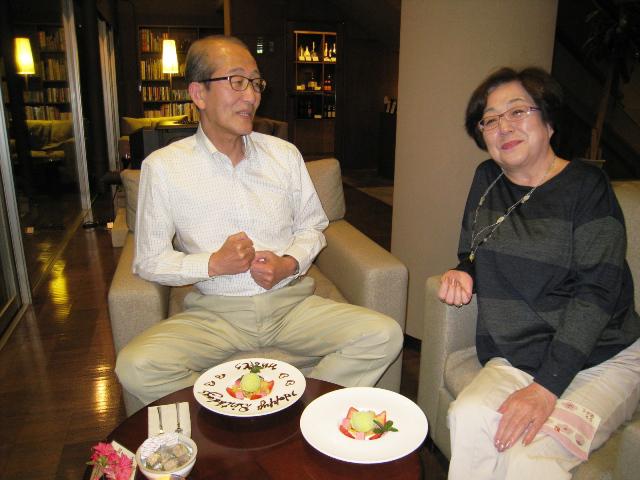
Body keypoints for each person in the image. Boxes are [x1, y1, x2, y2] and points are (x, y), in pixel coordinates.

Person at [115, 35, 403, 406]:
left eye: (255, 83)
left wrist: (289, 263)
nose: (251, 96)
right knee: (135, 365)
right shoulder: (164, 168)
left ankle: (296, 413)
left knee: (384, 334)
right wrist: (212, 264)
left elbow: (313, 226)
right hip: (215, 315)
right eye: (237, 81)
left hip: (290, 305)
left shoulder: (284, 155)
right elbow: (149, 260)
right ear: (199, 93)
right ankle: (233, 415)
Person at [438, 67, 640, 479]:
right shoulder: (487, 178)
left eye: (517, 111)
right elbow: (472, 246)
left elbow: (598, 291)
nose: (503, 127)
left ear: (548, 121)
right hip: (520, 353)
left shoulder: (587, 186)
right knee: (468, 416)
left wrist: (546, 387)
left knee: (531, 459)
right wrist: (464, 270)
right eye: (490, 119)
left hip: (602, 356)